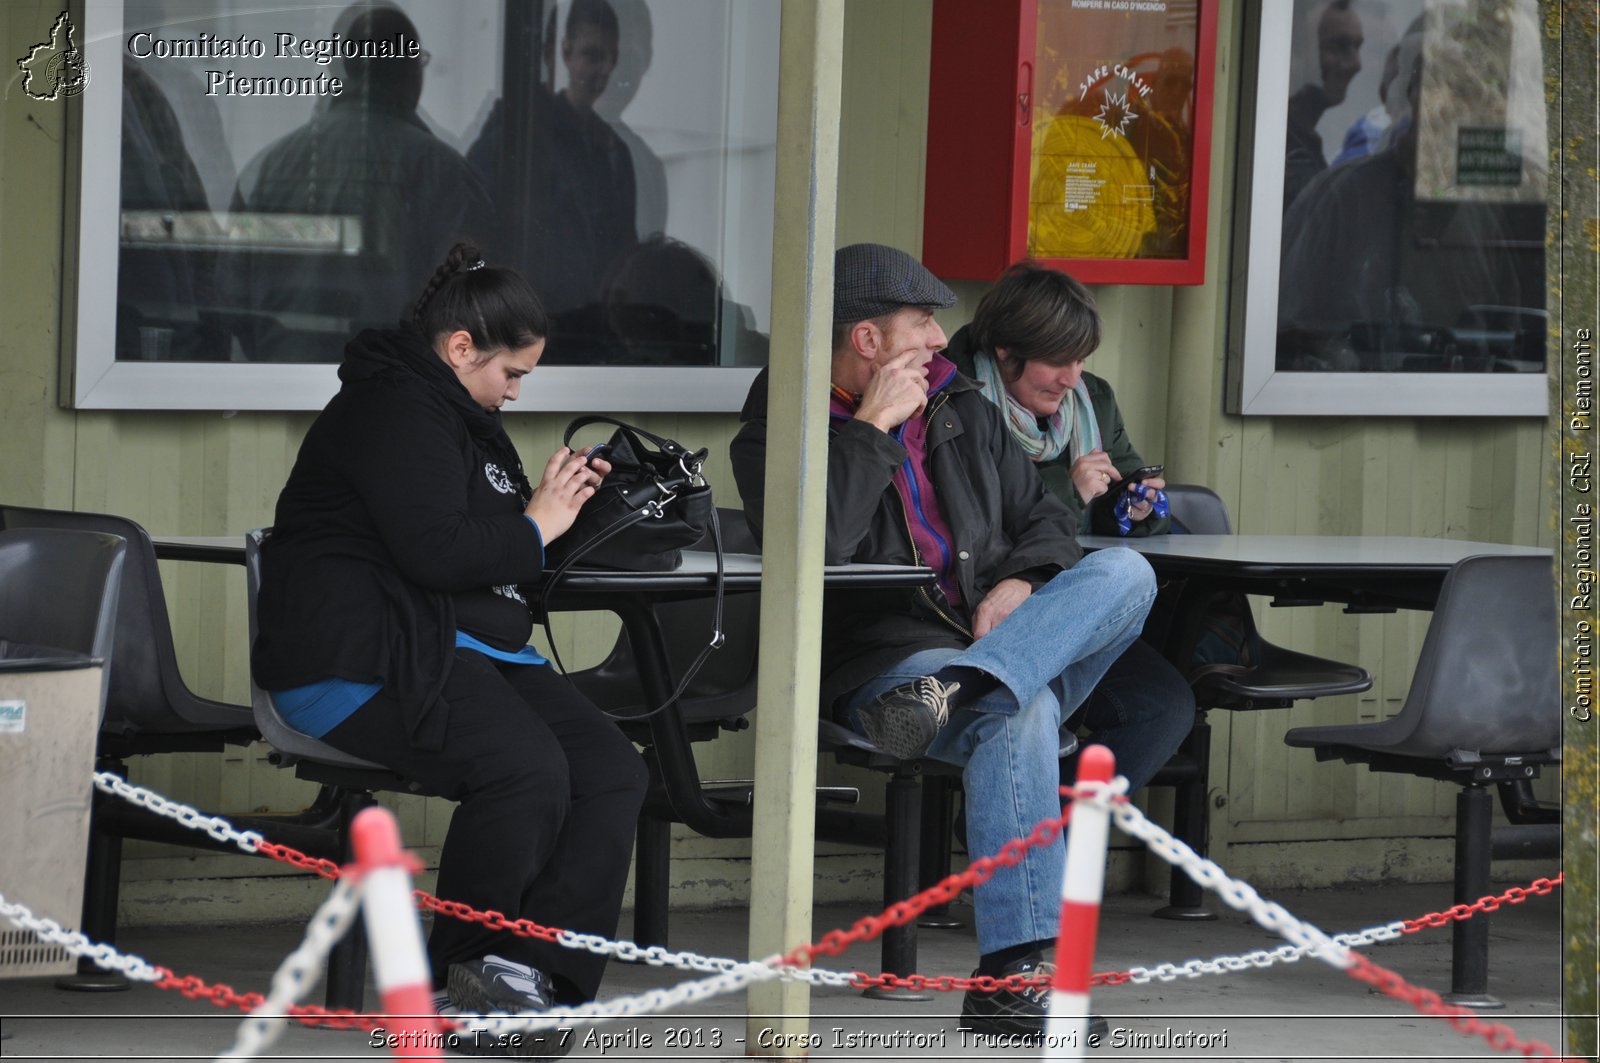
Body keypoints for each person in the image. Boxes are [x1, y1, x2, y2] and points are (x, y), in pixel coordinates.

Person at [730, 243, 1158, 1037]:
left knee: (1130, 571)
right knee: (1020, 716)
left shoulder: (960, 404)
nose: (937, 340)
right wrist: (870, 429)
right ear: (868, 340)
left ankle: (969, 686)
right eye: (922, 322)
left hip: (975, 650)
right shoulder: (780, 423)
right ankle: (1012, 978)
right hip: (886, 661)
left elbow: (1050, 518)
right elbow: (817, 547)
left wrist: (1019, 583)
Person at [252, 241, 648, 1055]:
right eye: (512, 374)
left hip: (463, 647)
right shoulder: (389, 408)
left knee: (613, 769)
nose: (514, 392)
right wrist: (536, 525)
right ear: (460, 346)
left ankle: (527, 974)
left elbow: (500, 545)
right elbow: (437, 548)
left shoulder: (468, 420)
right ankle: (461, 981)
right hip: (356, 661)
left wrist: (575, 518)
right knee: (525, 770)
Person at [943, 260, 1194, 780]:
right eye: (1057, 360)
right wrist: (1072, 491)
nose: (1072, 377)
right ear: (1004, 351)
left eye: (1080, 359)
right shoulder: (949, 397)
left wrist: (1138, 510)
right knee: (1028, 713)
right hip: (980, 612)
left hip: (1077, 602)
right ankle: (1015, 820)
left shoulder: (1089, 398)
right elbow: (970, 524)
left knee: (1163, 707)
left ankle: (1044, 835)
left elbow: (1127, 501)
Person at [230, 3, 494, 361]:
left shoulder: (270, 165)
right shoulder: (444, 173)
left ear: (346, 69)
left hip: (286, 379)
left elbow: (232, 297)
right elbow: (478, 306)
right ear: (410, 71)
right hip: (396, 394)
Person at [1283, 0, 1364, 212]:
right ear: (1293, 51)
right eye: (1338, 46)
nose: (1356, 64)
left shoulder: (1308, 138)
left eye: (1358, 46)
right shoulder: (1279, 148)